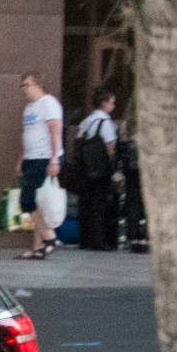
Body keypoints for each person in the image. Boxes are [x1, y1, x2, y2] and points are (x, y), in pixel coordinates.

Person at [17, 72, 66, 261]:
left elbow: (55, 133)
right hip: (31, 157)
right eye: (22, 86)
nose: (24, 89)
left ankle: (50, 238)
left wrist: (54, 159)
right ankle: (39, 248)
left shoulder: (49, 103)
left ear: (38, 85)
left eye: (26, 85)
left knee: (28, 201)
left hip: (44, 157)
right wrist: (21, 158)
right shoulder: (29, 108)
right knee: (36, 203)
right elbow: (28, 134)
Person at [74, 88, 122, 252]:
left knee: (86, 204)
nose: (113, 106)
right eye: (112, 102)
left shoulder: (87, 121)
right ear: (104, 103)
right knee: (99, 205)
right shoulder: (105, 122)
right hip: (100, 171)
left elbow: (79, 141)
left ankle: (85, 239)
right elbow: (110, 147)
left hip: (85, 170)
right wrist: (114, 167)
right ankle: (98, 240)